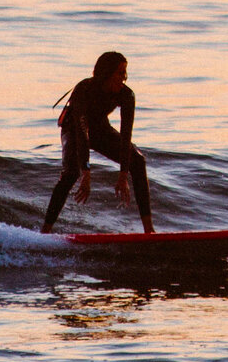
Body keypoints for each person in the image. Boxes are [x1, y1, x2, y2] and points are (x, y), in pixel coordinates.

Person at [41, 50, 155, 233]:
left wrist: (123, 174)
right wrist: (85, 172)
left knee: (138, 161)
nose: (124, 78)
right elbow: (82, 132)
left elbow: (126, 136)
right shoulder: (84, 90)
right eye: (120, 73)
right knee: (71, 173)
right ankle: (45, 231)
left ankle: (149, 230)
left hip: (100, 129)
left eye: (125, 73)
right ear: (106, 73)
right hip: (74, 129)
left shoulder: (126, 96)